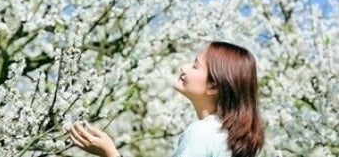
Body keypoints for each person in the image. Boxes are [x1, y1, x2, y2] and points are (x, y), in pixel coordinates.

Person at [69, 41, 265, 157]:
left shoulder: (201, 133)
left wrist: (110, 153)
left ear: (213, 86)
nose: (183, 67)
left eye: (195, 66)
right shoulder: (227, 136)